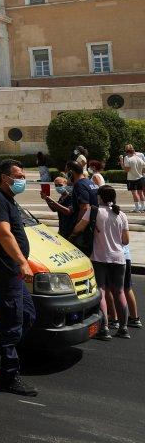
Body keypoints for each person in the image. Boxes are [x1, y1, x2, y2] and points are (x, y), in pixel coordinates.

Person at [0, 160, 37, 396]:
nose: (22, 179)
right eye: (18, 176)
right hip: (5, 270)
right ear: (5, 178)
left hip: (13, 271)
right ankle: (7, 375)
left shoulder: (9, 200)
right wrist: (22, 262)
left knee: (27, 314)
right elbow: (4, 234)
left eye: (23, 175)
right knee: (12, 322)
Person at [91, 186, 130, 340]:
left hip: (99, 257)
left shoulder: (94, 211)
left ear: (100, 197)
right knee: (119, 291)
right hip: (119, 258)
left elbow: (78, 229)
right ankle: (124, 328)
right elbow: (126, 240)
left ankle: (105, 328)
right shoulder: (121, 214)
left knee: (100, 290)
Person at [121, 144, 145, 213]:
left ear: (126, 151)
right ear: (133, 150)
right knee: (141, 193)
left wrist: (122, 162)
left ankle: (137, 208)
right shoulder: (139, 158)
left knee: (134, 193)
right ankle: (142, 207)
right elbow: (144, 169)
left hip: (132, 178)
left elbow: (126, 170)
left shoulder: (127, 158)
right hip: (140, 177)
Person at [123, 237, 141, 329]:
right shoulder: (124, 222)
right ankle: (135, 318)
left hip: (115, 257)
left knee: (111, 289)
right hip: (126, 256)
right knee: (127, 288)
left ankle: (114, 317)